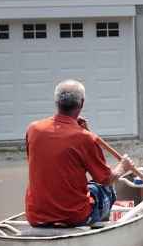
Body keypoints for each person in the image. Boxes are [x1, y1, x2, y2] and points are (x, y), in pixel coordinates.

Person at [25, 80, 134, 227]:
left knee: (90, 186)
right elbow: (106, 179)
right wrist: (123, 167)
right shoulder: (85, 138)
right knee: (106, 189)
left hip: (36, 215)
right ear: (81, 104)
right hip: (74, 217)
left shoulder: (33, 129)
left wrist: (75, 125)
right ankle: (98, 229)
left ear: (56, 102)